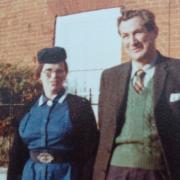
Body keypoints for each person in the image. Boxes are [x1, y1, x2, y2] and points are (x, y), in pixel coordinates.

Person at [93, 8, 180, 180]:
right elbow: (104, 128)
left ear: (154, 32)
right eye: (125, 35)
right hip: (115, 171)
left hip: (161, 171)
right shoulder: (110, 77)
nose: (132, 41)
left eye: (137, 32)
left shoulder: (177, 71)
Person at [7, 47, 99, 180]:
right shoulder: (28, 108)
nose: (54, 76)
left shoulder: (79, 107)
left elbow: (89, 153)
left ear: (65, 73)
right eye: (48, 71)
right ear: (39, 75)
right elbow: (17, 153)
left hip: (66, 175)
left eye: (59, 71)